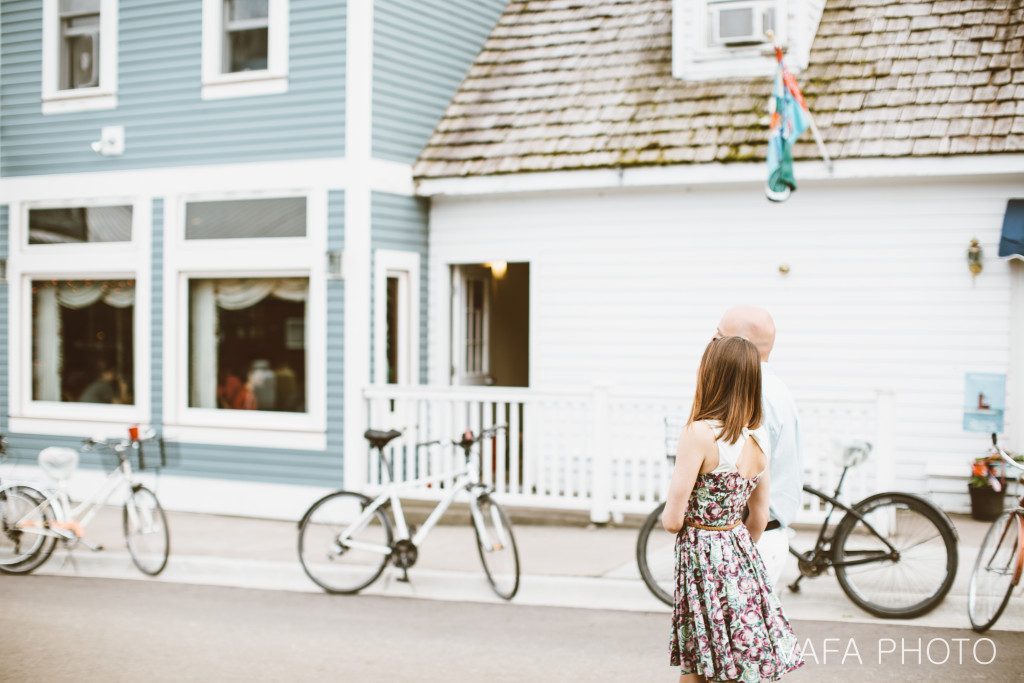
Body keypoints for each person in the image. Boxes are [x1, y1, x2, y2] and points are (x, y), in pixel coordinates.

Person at [664, 336, 803, 682]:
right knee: (734, 657)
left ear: (711, 376)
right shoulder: (756, 438)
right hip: (740, 554)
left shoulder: (699, 433)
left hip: (701, 557)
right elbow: (759, 517)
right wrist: (733, 543)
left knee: (699, 659)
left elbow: (671, 519)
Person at [716, 305, 802, 589]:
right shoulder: (777, 389)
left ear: (740, 346)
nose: (712, 346)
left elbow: (743, 475)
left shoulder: (751, 394)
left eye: (718, 338)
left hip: (751, 536)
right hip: (770, 536)